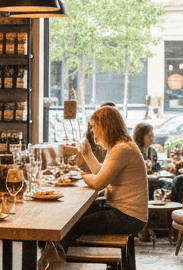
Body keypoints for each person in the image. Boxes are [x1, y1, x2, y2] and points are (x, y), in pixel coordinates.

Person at [62, 105, 148, 249]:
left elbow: (98, 183)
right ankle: (64, 258)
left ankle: (65, 261)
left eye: (94, 126)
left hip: (128, 217)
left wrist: (81, 175)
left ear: (104, 127)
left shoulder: (122, 149)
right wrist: (87, 153)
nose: (92, 130)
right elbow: (101, 173)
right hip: (126, 213)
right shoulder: (119, 146)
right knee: (73, 216)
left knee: (70, 226)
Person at [133, 121, 169, 196]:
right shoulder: (134, 152)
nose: (152, 138)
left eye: (153, 136)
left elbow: (155, 169)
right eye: (149, 136)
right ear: (140, 137)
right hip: (138, 182)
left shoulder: (152, 151)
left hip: (150, 180)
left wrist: (165, 169)